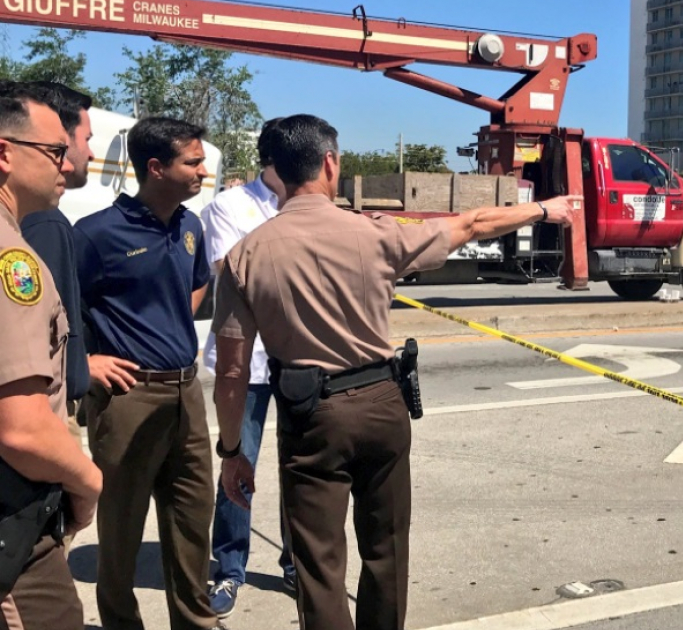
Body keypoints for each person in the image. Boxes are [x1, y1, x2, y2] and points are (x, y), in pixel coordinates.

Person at [211, 114, 578, 630]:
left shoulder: (242, 258)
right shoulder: (376, 234)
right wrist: (543, 208)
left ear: (276, 171)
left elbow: (230, 373)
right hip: (382, 403)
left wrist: (232, 453)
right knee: (386, 549)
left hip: (310, 416)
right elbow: (470, 225)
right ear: (330, 164)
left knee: (317, 564)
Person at [74, 117, 219, 630]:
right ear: (155, 168)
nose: (203, 170)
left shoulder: (191, 226)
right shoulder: (94, 235)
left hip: (186, 396)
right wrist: (84, 363)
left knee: (192, 524)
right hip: (127, 398)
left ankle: (195, 623)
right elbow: (60, 311)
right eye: (193, 162)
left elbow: (196, 285)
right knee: (121, 530)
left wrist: (170, 323)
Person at [0, 82, 101, 630]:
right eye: (54, 152)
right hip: (13, 523)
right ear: (4, 152)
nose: (67, 164)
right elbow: (21, 429)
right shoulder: (13, 261)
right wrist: (87, 484)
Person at [201, 118, 294, 618]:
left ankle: (296, 562)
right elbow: (232, 268)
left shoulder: (310, 208)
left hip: (300, 355)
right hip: (250, 362)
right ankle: (229, 567)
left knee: (302, 464)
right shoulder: (229, 207)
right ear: (274, 163)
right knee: (239, 464)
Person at [18, 83, 94, 491]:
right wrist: (86, 482)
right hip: (44, 418)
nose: (86, 155)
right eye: (83, 139)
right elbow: (37, 345)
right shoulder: (44, 223)